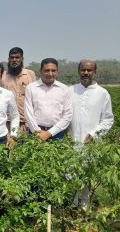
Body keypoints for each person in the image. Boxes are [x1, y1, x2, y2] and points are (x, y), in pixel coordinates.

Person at [69, 60, 114, 210]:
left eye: (89, 70)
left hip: (91, 144)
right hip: (71, 142)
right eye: (83, 70)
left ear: (94, 72)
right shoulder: (70, 91)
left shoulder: (102, 93)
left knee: (87, 177)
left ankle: (84, 209)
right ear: (78, 71)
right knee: (70, 175)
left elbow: (108, 119)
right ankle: (71, 207)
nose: (86, 73)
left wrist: (94, 134)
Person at [24, 58, 72, 141]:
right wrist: (37, 132)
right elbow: (28, 112)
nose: (50, 74)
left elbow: (68, 115)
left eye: (53, 71)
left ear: (57, 72)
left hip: (57, 133)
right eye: (46, 70)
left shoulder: (64, 89)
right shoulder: (31, 88)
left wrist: (49, 133)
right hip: (35, 133)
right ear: (40, 71)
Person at [1, 47, 36, 131]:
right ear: (8, 59)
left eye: (17, 57)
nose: (14, 60)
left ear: (22, 59)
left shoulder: (30, 74)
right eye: (12, 57)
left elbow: (35, 97)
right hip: (7, 122)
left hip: (25, 122)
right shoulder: (2, 76)